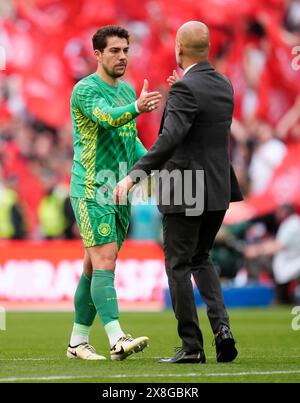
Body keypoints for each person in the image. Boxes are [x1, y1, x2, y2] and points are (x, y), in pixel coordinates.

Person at [114, 21, 243, 364]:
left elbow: (169, 140)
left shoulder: (186, 90)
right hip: (217, 189)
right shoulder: (223, 84)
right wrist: (180, 91)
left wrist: (134, 176)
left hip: (186, 188)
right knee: (202, 259)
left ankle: (192, 347)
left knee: (178, 265)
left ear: (179, 49)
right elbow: (200, 125)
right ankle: (222, 330)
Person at [67, 25, 162, 361]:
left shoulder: (127, 91)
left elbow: (128, 139)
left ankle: (77, 342)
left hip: (120, 193)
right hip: (92, 189)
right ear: (97, 54)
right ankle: (117, 338)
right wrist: (137, 108)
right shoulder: (85, 90)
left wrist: (154, 162)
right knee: (105, 261)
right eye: (114, 51)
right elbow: (107, 120)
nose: (122, 56)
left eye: (125, 50)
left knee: (93, 268)